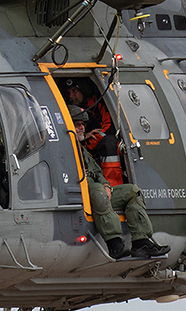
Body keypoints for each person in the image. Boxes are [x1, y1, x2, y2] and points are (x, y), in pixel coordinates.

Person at [67, 105, 170, 259]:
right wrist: (100, 187)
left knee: (132, 192)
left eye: (82, 124)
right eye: (77, 125)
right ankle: (114, 244)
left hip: (97, 194)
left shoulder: (81, 150)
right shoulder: (64, 150)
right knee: (98, 192)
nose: (81, 128)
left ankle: (141, 242)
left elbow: (97, 171)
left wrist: (106, 184)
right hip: (83, 196)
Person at [64, 79, 123, 185]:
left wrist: (87, 143)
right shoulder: (69, 109)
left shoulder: (100, 105)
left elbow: (109, 128)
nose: (71, 96)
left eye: (74, 91)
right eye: (69, 93)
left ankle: (112, 185)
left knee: (109, 143)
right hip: (80, 146)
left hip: (94, 145)